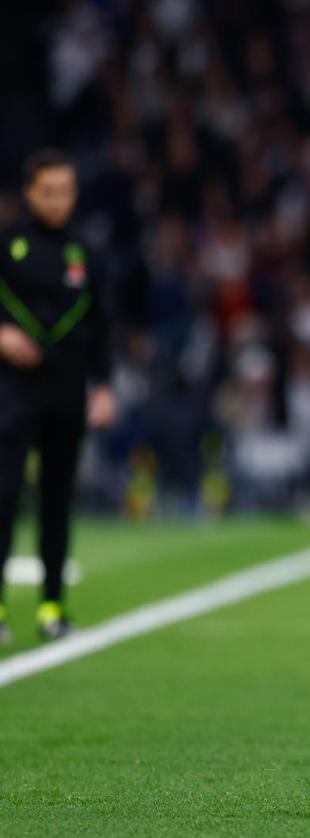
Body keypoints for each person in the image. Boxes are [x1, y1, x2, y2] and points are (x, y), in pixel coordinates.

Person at [0, 149, 116, 643]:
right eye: (47, 191)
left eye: (65, 191)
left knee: (56, 500)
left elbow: (103, 324)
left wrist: (106, 385)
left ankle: (52, 606)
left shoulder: (86, 253)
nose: (56, 201)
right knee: (2, 497)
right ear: (29, 192)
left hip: (67, 391)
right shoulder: (6, 246)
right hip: (11, 391)